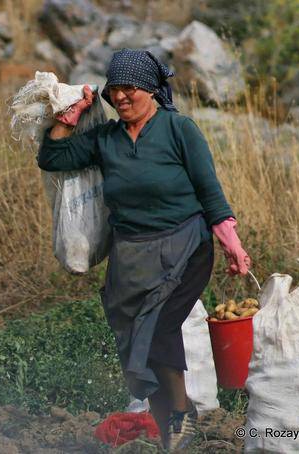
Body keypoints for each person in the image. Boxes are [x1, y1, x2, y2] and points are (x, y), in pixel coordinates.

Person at [37, 49, 251, 452]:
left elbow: (210, 191)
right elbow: (52, 158)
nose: (120, 97)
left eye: (129, 88)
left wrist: (232, 244)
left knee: (159, 328)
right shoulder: (106, 140)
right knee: (134, 338)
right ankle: (165, 425)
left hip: (185, 247)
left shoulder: (178, 129)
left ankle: (182, 414)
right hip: (131, 256)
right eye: (114, 90)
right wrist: (69, 118)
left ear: (151, 89)